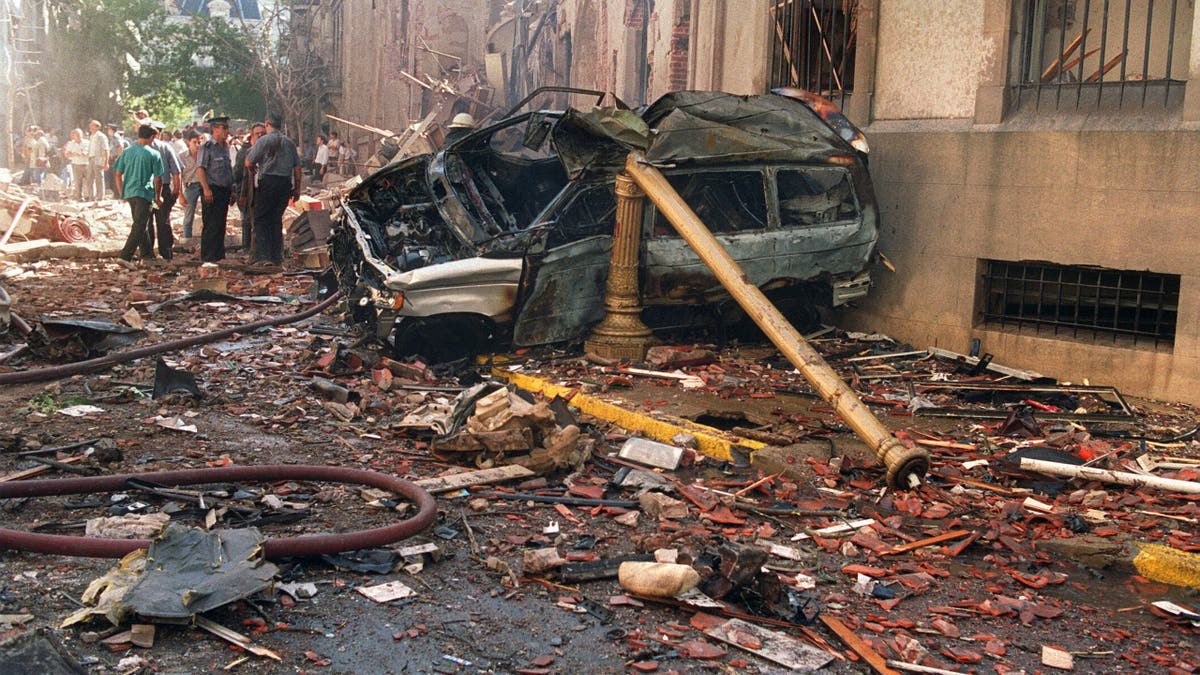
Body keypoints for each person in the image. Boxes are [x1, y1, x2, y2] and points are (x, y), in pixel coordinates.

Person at [244, 113, 301, 266]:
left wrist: (253, 169)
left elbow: (249, 162)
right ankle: (276, 256)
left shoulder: (263, 140)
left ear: (267, 123)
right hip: (284, 184)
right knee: (276, 220)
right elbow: (297, 168)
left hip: (268, 182)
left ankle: (261, 256)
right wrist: (297, 190)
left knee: (261, 219)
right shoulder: (289, 143)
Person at [114, 124, 164, 263]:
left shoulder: (127, 151)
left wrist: (121, 192)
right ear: (152, 137)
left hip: (129, 192)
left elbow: (118, 174)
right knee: (140, 225)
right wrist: (158, 196)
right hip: (144, 193)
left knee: (141, 223)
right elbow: (158, 178)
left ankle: (147, 255)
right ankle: (125, 256)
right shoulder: (154, 154)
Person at [196, 115, 235, 262]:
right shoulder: (207, 147)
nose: (226, 131)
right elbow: (200, 169)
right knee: (211, 224)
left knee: (221, 224)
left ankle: (218, 256)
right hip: (211, 189)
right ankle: (208, 257)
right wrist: (206, 189)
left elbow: (227, 170)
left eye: (227, 128)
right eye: (224, 128)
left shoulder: (225, 147)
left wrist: (232, 189)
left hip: (224, 190)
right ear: (215, 129)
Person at [146, 120, 183, 260]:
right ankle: (165, 253)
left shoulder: (165, 148)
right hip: (159, 188)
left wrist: (177, 190)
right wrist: (177, 190)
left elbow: (176, 171)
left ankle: (150, 253)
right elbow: (176, 171)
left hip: (153, 189)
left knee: (150, 221)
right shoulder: (165, 147)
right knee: (162, 221)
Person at [233, 123, 265, 253]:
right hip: (247, 190)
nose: (260, 136)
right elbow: (239, 173)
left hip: (262, 190)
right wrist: (241, 193)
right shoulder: (245, 152)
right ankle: (246, 247)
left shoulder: (267, 151)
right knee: (247, 219)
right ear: (252, 136)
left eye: (263, 134)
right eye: (257, 134)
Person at [177, 130, 203, 240]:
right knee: (189, 214)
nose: (197, 145)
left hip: (203, 185)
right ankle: (187, 239)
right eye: (194, 142)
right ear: (188, 142)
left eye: (199, 142)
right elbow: (178, 176)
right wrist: (180, 195)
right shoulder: (182, 156)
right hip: (190, 186)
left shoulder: (204, 154)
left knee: (208, 213)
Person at [85, 120, 109, 201]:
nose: (90, 127)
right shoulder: (92, 136)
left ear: (97, 127)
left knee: (99, 178)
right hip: (91, 158)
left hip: (98, 159)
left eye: (92, 126)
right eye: (90, 125)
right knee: (89, 178)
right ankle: (91, 196)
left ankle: (100, 197)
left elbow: (106, 149)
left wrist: (106, 162)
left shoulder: (101, 136)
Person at [63, 128, 89, 200]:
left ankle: (88, 196)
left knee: (88, 182)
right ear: (73, 135)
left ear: (82, 135)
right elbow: (66, 154)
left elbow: (90, 152)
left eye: (79, 134)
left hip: (86, 164)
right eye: (76, 134)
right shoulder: (71, 144)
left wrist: (84, 153)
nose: (77, 136)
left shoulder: (87, 143)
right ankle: (79, 197)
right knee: (78, 182)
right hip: (76, 164)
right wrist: (73, 154)